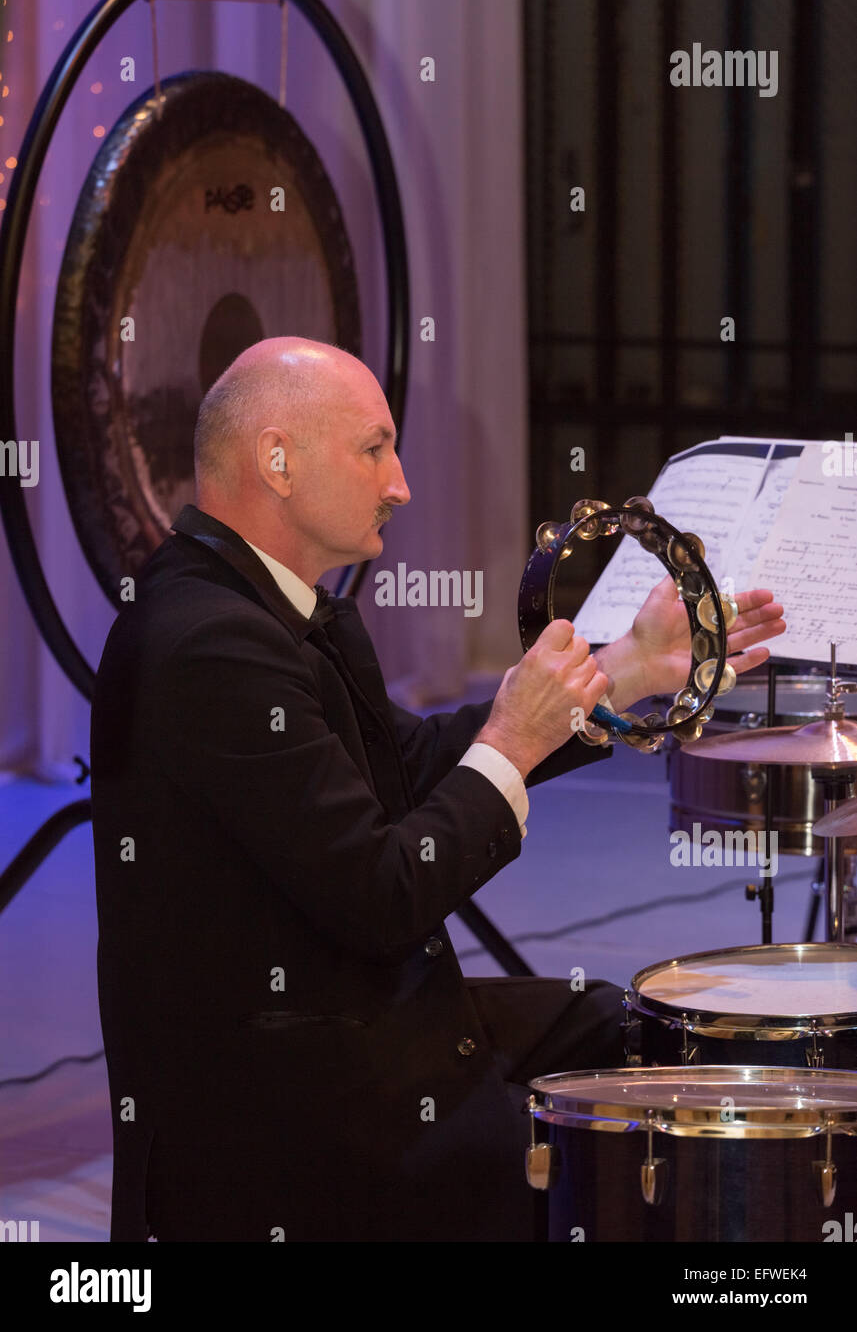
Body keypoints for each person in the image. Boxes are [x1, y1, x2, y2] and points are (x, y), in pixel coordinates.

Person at [90, 338, 786, 1242]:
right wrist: (511, 736)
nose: (401, 483)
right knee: (596, 1128)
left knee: (649, 1030)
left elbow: (407, 766)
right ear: (277, 461)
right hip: (277, 1105)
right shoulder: (209, 646)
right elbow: (384, 895)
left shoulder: (264, 606)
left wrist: (625, 670)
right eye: (374, 448)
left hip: (342, 1019)